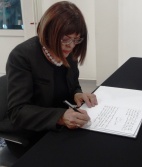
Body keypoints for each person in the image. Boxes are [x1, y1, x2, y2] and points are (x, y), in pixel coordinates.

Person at [6, 1, 98, 148]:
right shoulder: (22, 56)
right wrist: (60, 117)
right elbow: (18, 112)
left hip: (63, 127)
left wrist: (77, 94)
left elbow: (73, 84)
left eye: (76, 39)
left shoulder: (69, 53)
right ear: (48, 32)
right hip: (33, 133)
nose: (71, 45)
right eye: (65, 39)